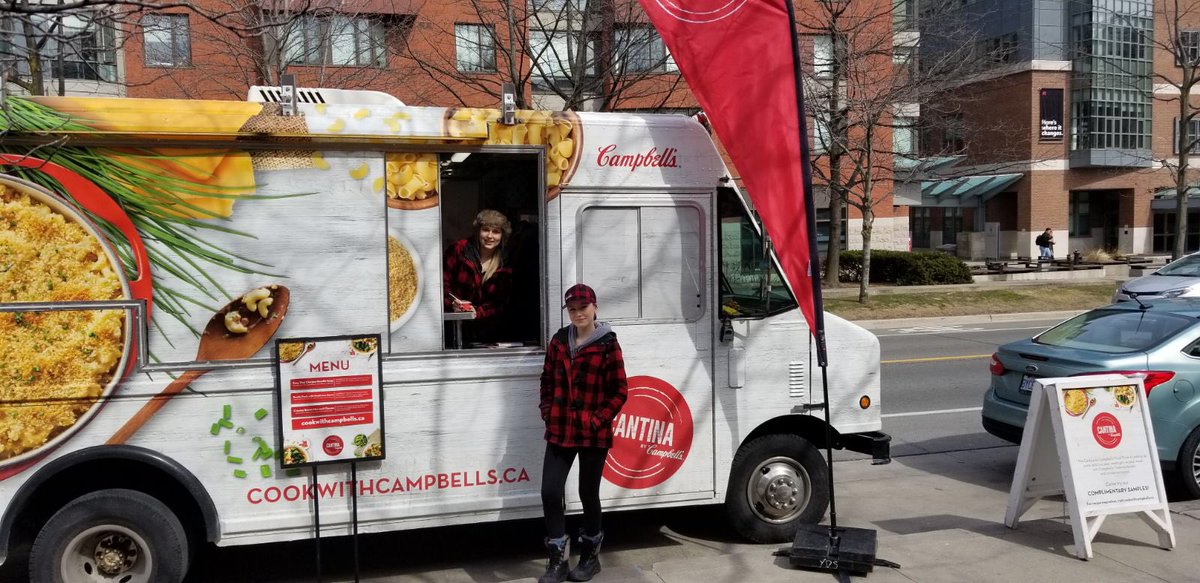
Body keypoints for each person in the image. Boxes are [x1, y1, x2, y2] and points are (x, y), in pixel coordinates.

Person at [537, 284, 628, 583]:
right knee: (550, 491)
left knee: (588, 493)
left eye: (583, 307)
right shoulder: (559, 340)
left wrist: (597, 419)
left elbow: (619, 391)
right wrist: (548, 413)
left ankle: (590, 556)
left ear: (595, 307)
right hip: (560, 428)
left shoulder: (608, 344)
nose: (578, 313)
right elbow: (547, 379)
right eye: (572, 309)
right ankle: (557, 561)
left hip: (593, 432)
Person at [443, 210, 513, 345]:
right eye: (485, 230)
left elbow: (502, 302)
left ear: (502, 235)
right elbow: (442, 284)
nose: (490, 236)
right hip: (453, 328)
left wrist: (477, 312)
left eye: (496, 232)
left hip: (489, 333)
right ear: (477, 231)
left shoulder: (506, 260)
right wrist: (452, 304)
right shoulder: (459, 250)